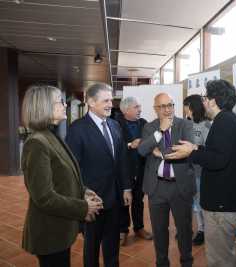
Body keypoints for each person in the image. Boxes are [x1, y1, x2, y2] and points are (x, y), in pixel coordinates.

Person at [166, 79, 236, 267]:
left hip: (222, 205)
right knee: (223, 255)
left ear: (213, 101)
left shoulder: (224, 121)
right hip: (223, 203)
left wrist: (191, 152)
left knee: (220, 260)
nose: (202, 102)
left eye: (204, 97)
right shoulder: (225, 119)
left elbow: (218, 160)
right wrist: (196, 147)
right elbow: (218, 153)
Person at [21, 85, 103, 267]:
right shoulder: (37, 143)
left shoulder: (51, 135)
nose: (64, 105)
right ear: (44, 107)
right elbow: (44, 197)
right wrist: (83, 207)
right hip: (49, 232)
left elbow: (65, 177)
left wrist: (84, 191)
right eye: (60, 101)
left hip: (60, 228)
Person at [66, 83, 132, 267]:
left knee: (112, 248)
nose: (111, 104)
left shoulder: (114, 125)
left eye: (111, 99)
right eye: (106, 100)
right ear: (91, 102)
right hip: (92, 201)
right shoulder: (77, 129)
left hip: (115, 198)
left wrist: (126, 187)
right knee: (91, 250)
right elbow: (73, 169)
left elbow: (121, 160)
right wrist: (82, 199)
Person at [138, 93, 195, 267]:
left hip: (180, 186)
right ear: (155, 109)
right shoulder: (150, 127)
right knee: (159, 230)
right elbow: (141, 150)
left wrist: (158, 152)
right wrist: (160, 131)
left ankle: (187, 262)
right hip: (157, 188)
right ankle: (162, 263)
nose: (167, 110)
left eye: (170, 105)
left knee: (184, 230)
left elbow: (183, 151)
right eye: (162, 106)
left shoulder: (185, 124)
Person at [117, 97, 152, 245]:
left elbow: (151, 142)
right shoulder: (115, 124)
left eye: (140, 106)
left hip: (141, 168)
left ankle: (139, 228)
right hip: (124, 170)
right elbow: (114, 147)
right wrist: (130, 144)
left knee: (138, 200)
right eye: (136, 107)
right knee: (123, 201)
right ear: (126, 110)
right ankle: (123, 230)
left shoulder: (144, 123)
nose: (140, 109)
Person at [183, 94, 211, 246]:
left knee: (199, 202)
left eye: (186, 106)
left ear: (193, 106)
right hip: (186, 171)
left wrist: (196, 148)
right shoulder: (186, 124)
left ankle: (202, 230)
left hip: (200, 171)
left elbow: (210, 149)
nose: (185, 110)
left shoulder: (206, 125)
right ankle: (189, 228)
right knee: (191, 202)